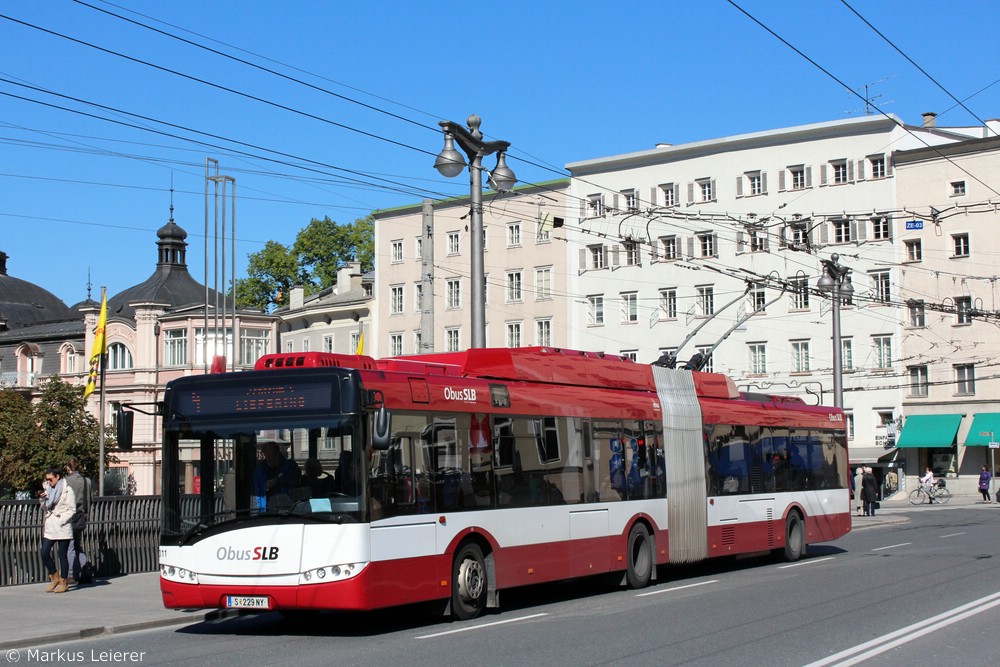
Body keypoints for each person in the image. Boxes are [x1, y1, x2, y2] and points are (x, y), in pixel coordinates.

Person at [39, 466, 76, 593]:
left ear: (57, 477)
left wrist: (61, 520)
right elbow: (44, 507)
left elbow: (72, 509)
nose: (49, 481)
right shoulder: (48, 489)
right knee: (44, 552)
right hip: (50, 525)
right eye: (47, 479)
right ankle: (54, 576)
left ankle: (64, 581)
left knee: (62, 555)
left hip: (62, 526)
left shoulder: (67, 490)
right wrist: (42, 499)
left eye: (50, 479)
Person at [64, 457, 93, 584]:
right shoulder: (87, 481)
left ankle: (72, 574)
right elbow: (90, 499)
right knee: (78, 545)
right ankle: (85, 572)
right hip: (81, 515)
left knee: (69, 547)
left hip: (69, 516)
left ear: (68, 468)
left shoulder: (65, 481)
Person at [253, 443, 301, 509]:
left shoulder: (290, 466)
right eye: (268, 455)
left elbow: (296, 482)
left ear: (277, 453)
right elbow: (255, 490)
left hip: (291, 507)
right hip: (267, 508)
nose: (271, 458)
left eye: (273, 454)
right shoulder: (260, 469)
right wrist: (265, 486)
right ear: (264, 454)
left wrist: (278, 481)